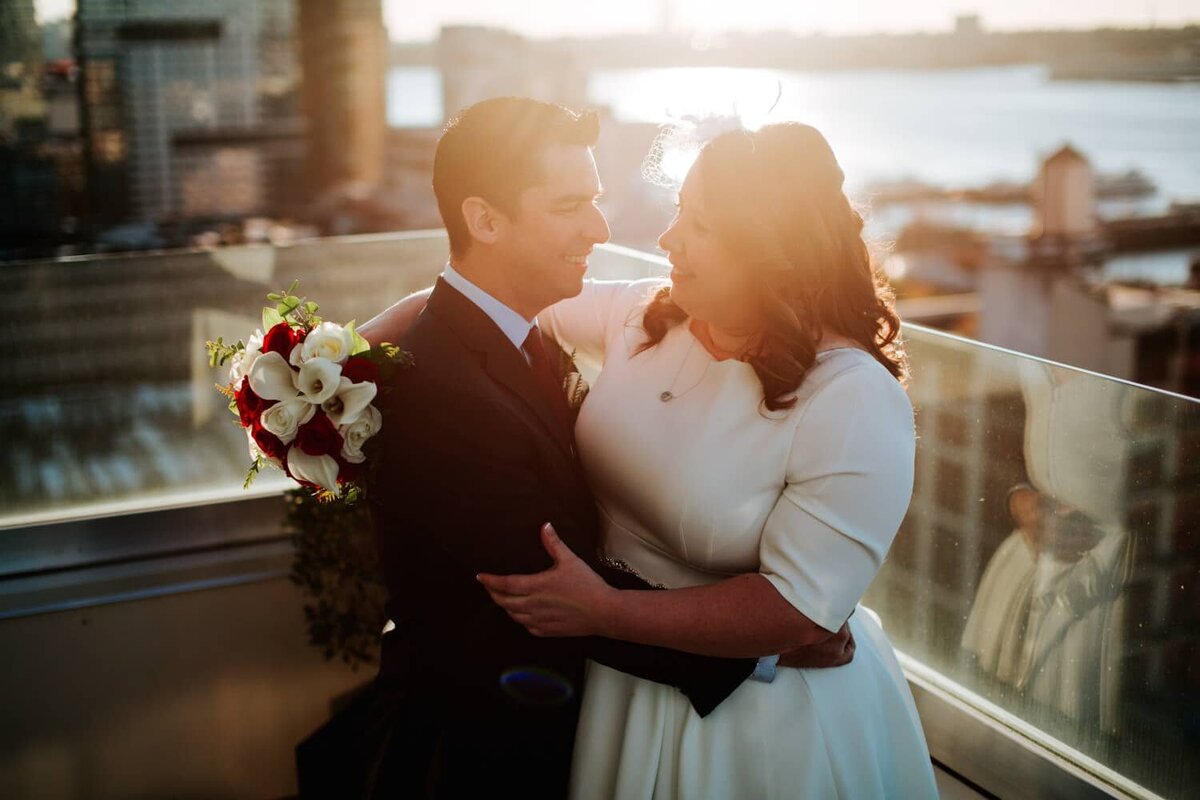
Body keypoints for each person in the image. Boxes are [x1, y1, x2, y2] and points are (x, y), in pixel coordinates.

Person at [345, 98, 854, 800]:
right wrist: (766, 645)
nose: (601, 227)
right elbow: (548, 587)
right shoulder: (443, 388)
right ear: (485, 220)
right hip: (485, 753)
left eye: (596, 199)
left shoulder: (518, 333)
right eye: (568, 206)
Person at [471, 121, 941, 799]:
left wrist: (605, 611)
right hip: (623, 684)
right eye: (677, 213)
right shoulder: (646, 316)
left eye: (699, 224)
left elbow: (798, 613)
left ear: (769, 250)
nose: (667, 240)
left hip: (760, 725)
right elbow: (501, 309)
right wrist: (334, 367)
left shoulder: (852, 398)